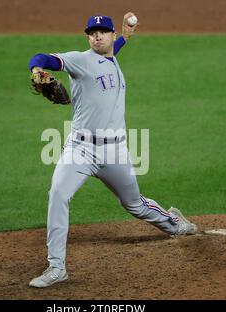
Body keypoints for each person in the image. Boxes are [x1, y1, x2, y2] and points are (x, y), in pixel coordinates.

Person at [28, 13, 198, 288]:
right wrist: (36, 70)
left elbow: (112, 52)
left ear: (111, 36)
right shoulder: (80, 60)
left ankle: (173, 222)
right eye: (92, 32)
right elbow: (42, 57)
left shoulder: (111, 55)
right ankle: (56, 267)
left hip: (115, 152)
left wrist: (126, 36)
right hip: (80, 149)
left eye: (102, 32)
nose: (97, 36)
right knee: (58, 194)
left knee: (134, 204)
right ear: (87, 37)